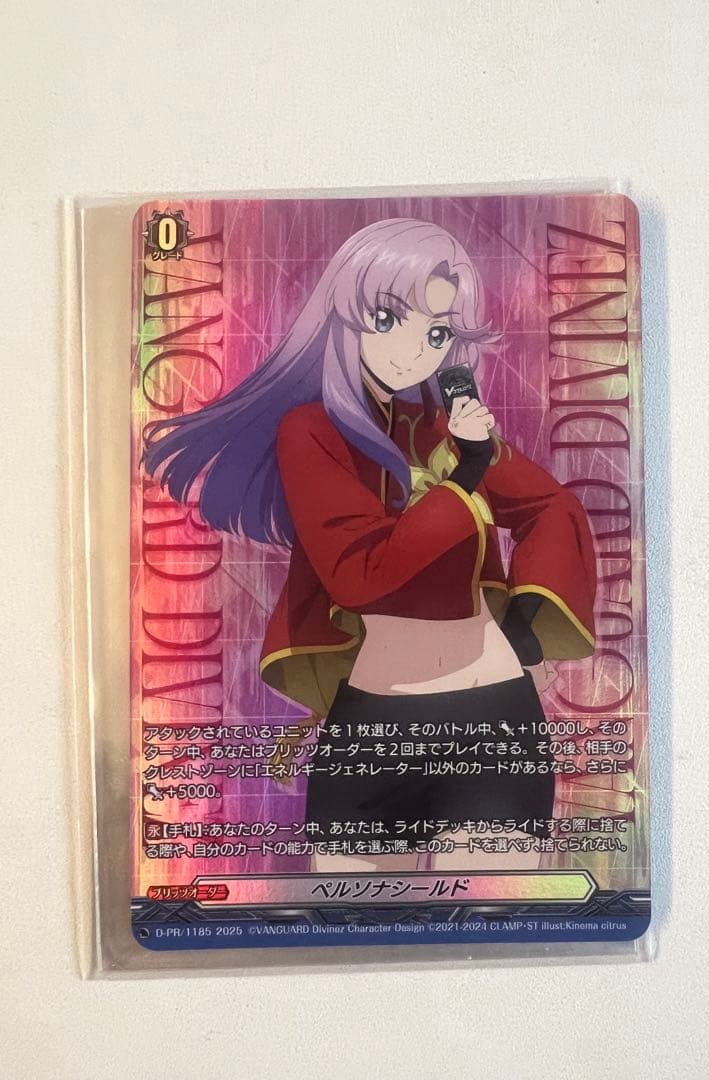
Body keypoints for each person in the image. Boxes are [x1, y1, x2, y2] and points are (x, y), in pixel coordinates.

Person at [144, 217, 597, 873]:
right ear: (342, 312)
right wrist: (465, 480)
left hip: (491, 719)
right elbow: (359, 573)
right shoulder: (312, 433)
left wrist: (524, 626)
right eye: (387, 318)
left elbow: (554, 506)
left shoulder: (445, 430)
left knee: (486, 923)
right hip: (371, 726)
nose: (413, 352)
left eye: (437, 334)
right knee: (350, 920)